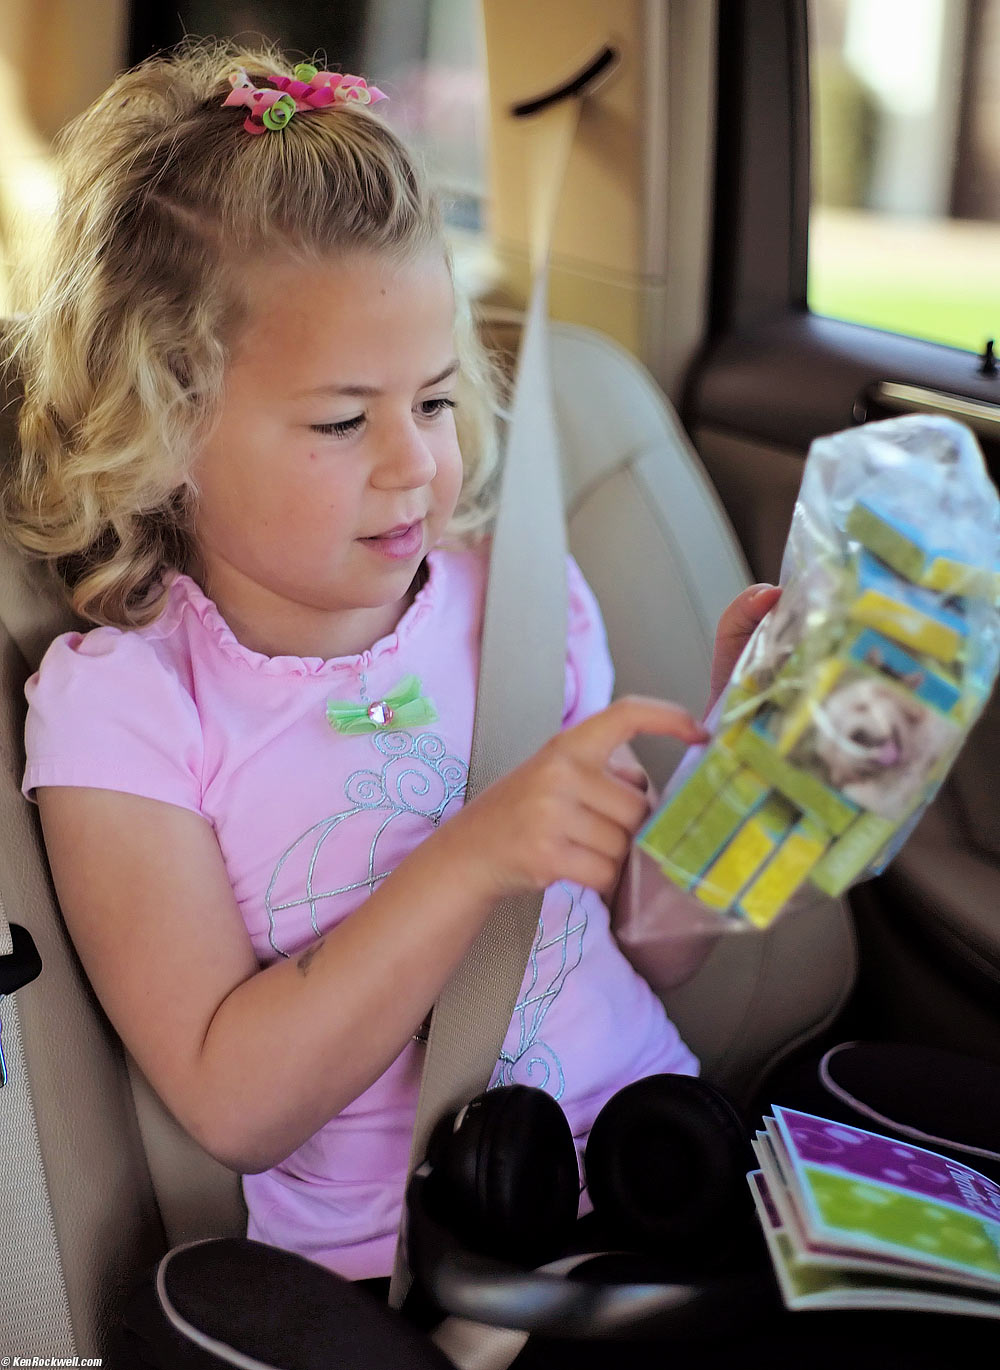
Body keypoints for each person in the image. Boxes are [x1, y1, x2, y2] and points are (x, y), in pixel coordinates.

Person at [3, 38, 778, 1310]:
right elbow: (231, 1097)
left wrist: (747, 770)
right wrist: (475, 851)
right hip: (424, 1277)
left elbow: (653, 940)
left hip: (667, 1174)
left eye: (431, 399)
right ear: (161, 424)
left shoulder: (515, 597)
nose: (416, 464)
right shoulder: (127, 706)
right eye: (340, 418)